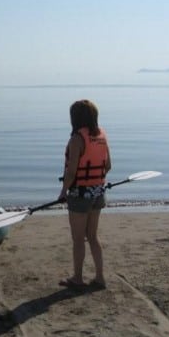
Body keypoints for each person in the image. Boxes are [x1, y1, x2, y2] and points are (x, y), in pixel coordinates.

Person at [58, 99, 111, 289]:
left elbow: (71, 172)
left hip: (80, 195)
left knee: (78, 239)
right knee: (93, 236)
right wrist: (96, 182)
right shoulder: (102, 135)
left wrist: (63, 192)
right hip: (98, 193)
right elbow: (108, 166)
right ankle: (99, 277)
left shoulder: (76, 139)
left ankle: (78, 279)